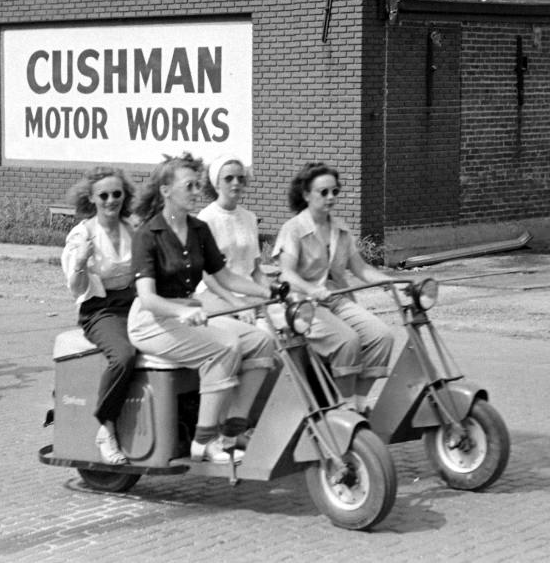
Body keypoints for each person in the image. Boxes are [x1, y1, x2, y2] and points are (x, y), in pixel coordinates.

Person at [127, 153, 276, 464]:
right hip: (153, 321)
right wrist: (181, 311)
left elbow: (225, 276)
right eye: (190, 186)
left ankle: (232, 430)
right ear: (166, 190)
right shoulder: (148, 234)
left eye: (197, 185)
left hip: (189, 315)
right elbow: (147, 298)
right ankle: (202, 442)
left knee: (261, 341)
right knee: (225, 346)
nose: (197, 192)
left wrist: (268, 290)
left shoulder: (198, 229)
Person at [273, 162, 396, 411]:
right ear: (306, 194)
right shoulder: (293, 229)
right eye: (324, 192)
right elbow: (287, 274)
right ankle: (343, 408)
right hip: (304, 306)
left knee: (382, 336)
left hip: (337, 299)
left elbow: (360, 268)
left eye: (335, 192)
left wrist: (385, 280)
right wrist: (311, 289)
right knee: (347, 340)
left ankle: (358, 405)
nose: (330, 198)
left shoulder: (340, 228)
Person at [61, 167, 139, 465]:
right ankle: (105, 428)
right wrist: (81, 261)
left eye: (116, 194)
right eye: (103, 195)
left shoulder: (131, 228)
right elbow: (76, 288)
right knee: (123, 356)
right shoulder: (83, 234)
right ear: (91, 198)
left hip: (133, 304)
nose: (111, 201)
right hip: (100, 309)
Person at [194, 154, 265, 321]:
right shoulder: (205, 219)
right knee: (247, 335)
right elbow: (206, 276)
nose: (236, 183)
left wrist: (274, 292)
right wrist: (237, 304)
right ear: (216, 183)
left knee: (281, 329)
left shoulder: (250, 218)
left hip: (248, 292)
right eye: (228, 178)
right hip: (215, 294)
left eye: (240, 178)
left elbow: (255, 270)